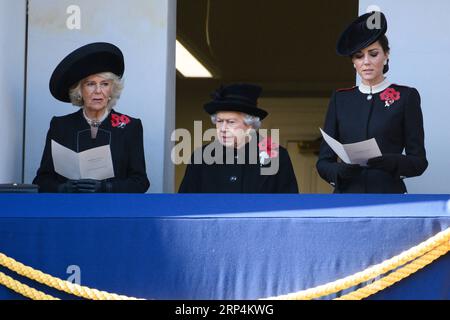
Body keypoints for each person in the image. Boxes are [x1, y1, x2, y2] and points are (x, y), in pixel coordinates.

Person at [316, 11, 427, 193]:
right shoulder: (341, 99)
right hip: (347, 196)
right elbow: (323, 162)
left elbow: (419, 162)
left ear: (386, 55)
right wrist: (340, 171)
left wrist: (391, 161)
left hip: (388, 194)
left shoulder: (406, 96)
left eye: (373, 54)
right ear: (353, 62)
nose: (366, 62)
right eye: (359, 56)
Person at [33, 42, 150, 193]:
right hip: (70, 210)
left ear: (111, 89)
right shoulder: (60, 126)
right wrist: (62, 188)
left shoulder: (130, 127)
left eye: (105, 84)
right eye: (90, 84)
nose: (98, 91)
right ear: (79, 90)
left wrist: (106, 188)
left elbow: (140, 182)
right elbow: (41, 180)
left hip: (112, 211)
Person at [179, 83, 298, 193]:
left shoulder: (276, 155)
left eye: (231, 122)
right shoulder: (201, 156)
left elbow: (289, 207)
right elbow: (184, 205)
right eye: (219, 121)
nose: (223, 128)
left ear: (250, 124)